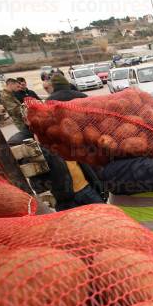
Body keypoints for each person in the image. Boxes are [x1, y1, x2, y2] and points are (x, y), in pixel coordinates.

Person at [44, 74, 105, 210]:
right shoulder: (81, 95)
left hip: (68, 139)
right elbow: (94, 117)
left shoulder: (50, 101)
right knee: (93, 166)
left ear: (53, 85)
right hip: (87, 137)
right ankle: (100, 188)